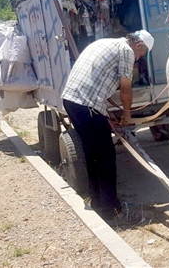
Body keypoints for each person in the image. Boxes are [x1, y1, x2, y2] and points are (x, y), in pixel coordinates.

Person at [61, 30, 154, 222]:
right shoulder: (126, 51)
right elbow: (126, 88)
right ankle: (112, 210)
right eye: (141, 55)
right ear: (138, 46)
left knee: (92, 155)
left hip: (71, 101)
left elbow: (96, 83)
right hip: (87, 104)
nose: (137, 60)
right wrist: (127, 115)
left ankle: (97, 202)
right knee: (106, 157)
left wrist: (105, 114)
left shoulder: (105, 42)